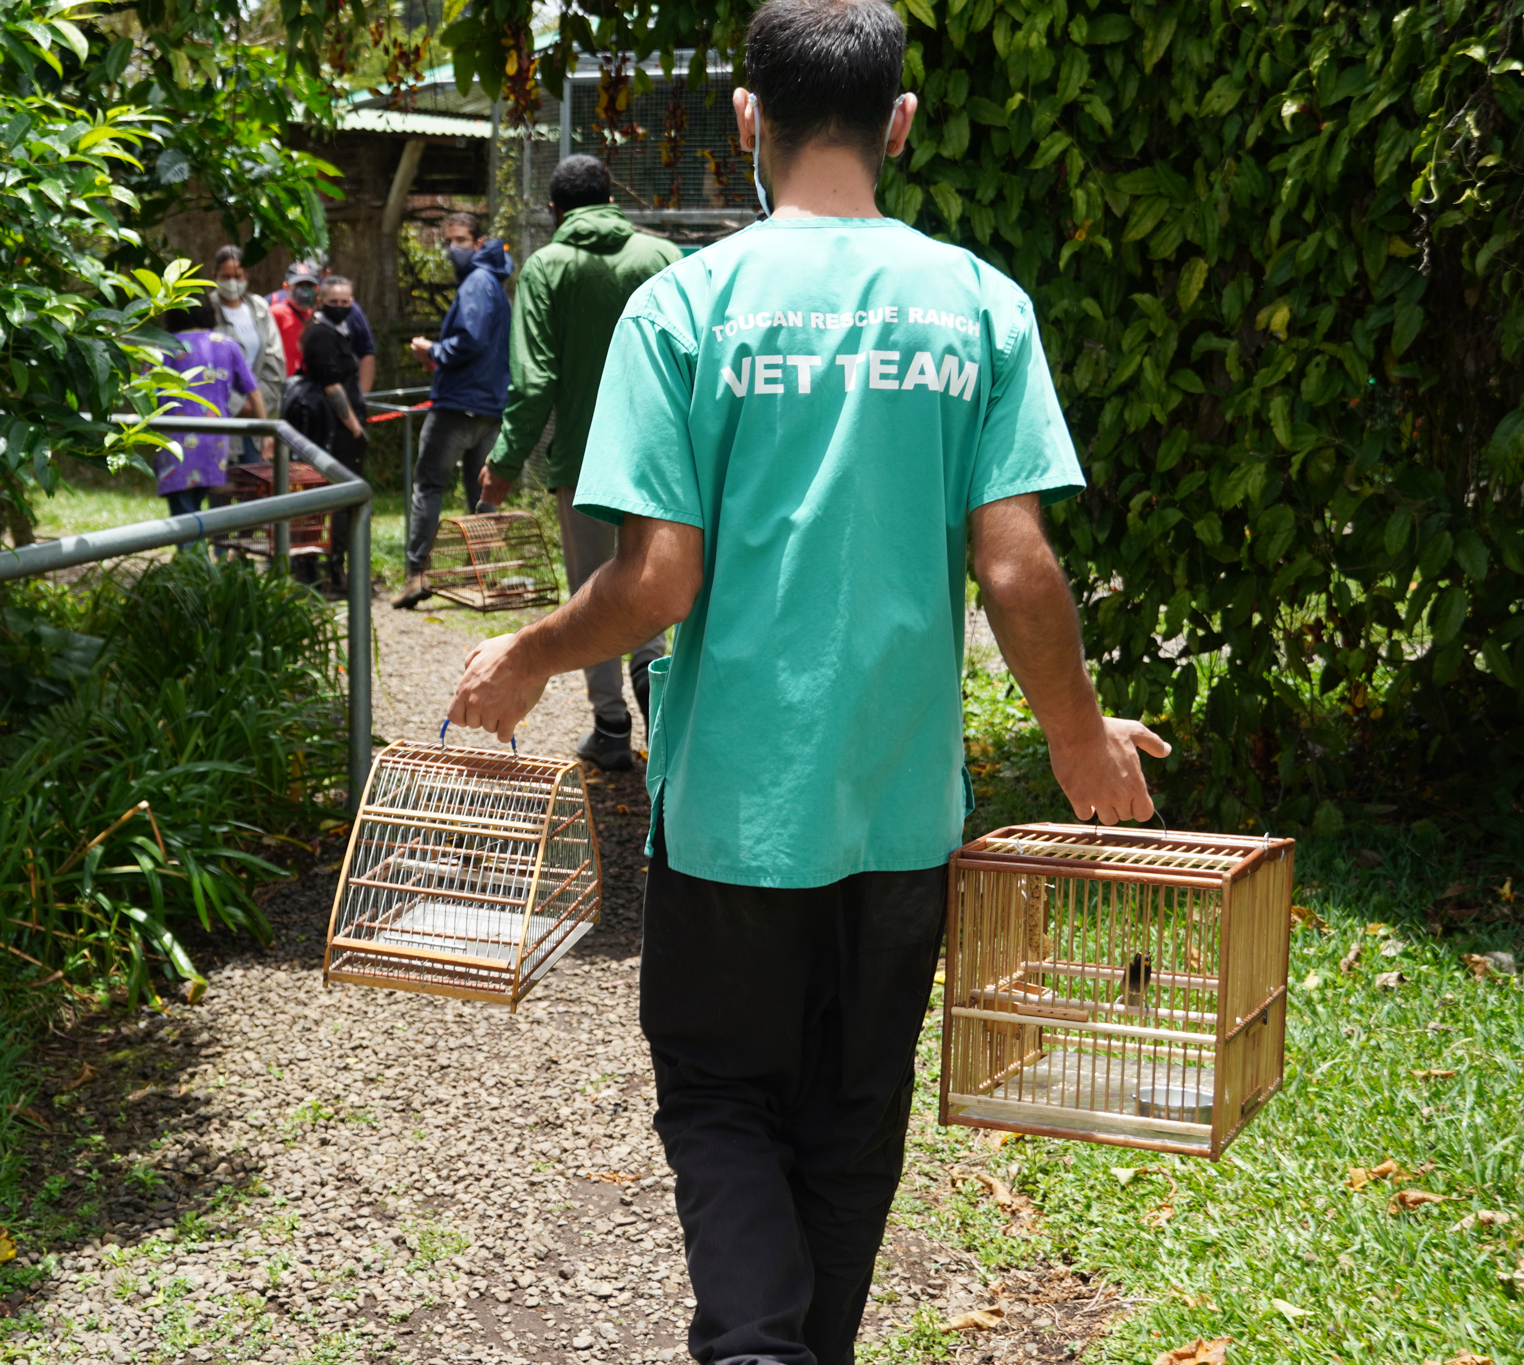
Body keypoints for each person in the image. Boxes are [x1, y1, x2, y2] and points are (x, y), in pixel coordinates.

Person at [445, 2, 1171, 1362]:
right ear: (898, 123)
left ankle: (757, 1349)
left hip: (730, 818)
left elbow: (657, 583)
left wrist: (527, 654)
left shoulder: (689, 310)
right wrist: (1075, 737)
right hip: (898, 820)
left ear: (745, 124)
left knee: (722, 1101)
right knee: (851, 1114)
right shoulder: (977, 304)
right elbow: (1017, 567)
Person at [480, 154, 684, 771]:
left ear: (554, 209)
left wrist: (506, 460)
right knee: (660, 578)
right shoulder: (663, 258)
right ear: (611, 198)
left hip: (586, 461)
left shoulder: (546, 269)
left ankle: (612, 728)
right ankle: (660, 690)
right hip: (668, 462)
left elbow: (534, 377)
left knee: (594, 589)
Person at [394, 211, 513, 609]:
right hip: (488, 408)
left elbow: (471, 339)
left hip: (458, 406)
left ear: (479, 243)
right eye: (448, 241)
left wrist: (434, 350)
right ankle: (483, 574)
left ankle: (417, 576)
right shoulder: (493, 281)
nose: (452, 249)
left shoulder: (478, 283)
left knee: (428, 486)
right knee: (482, 495)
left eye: (460, 240)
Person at [281, 275, 370, 592]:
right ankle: (322, 572)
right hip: (331, 432)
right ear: (321, 301)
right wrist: (357, 430)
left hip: (339, 431)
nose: (341, 308)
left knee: (340, 504)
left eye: (346, 303)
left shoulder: (339, 331)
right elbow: (332, 387)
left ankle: (334, 569)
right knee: (332, 502)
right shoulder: (320, 333)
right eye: (334, 302)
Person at [155, 298, 265, 519]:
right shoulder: (227, 344)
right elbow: (254, 392)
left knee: (183, 512)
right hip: (215, 441)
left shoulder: (167, 347)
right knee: (197, 504)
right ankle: (198, 551)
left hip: (176, 440)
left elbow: (148, 392)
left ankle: (192, 553)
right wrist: (265, 435)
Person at [271, 262, 378, 395]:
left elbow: (366, 350)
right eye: (299, 285)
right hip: (288, 391)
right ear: (286, 287)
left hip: (319, 393)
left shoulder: (322, 316)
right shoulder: (276, 313)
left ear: (317, 288)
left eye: (309, 285)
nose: (304, 290)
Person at [208, 245, 287, 416]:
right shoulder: (206, 311)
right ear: (214, 276)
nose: (232, 283)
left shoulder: (259, 308)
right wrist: (238, 406)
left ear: (246, 276)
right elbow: (205, 365)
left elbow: (274, 359)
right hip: (219, 412)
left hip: (260, 410)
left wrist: (258, 404)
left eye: (238, 277)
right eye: (226, 277)